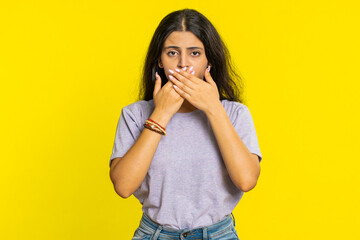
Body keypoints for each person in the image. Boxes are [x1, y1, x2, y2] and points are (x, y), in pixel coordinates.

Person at [109, 8, 262, 240]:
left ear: (208, 60)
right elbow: (123, 186)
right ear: (159, 60)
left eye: (194, 53)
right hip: (155, 234)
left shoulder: (234, 113)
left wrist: (213, 108)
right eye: (172, 53)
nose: (182, 64)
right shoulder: (135, 115)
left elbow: (247, 180)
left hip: (218, 234)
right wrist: (160, 114)